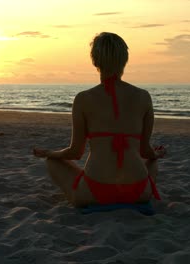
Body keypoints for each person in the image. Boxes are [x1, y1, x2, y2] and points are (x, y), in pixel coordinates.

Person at [33, 32, 166, 208]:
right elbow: (145, 152)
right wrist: (156, 154)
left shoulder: (83, 99)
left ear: (95, 61)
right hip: (138, 191)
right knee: (153, 162)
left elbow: (75, 152)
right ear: (124, 60)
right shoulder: (143, 97)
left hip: (96, 190)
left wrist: (51, 153)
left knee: (52, 162)